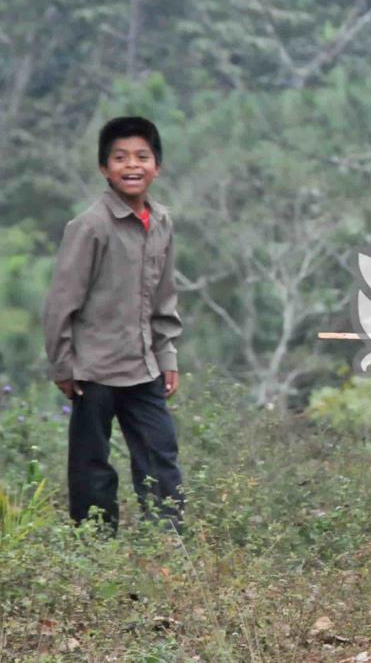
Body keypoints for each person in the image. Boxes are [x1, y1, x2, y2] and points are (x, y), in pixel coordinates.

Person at [44, 116, 184, 533]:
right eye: (120, 158)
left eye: (142, 156)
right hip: (95, 371)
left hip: (144, 367)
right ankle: (95, 552)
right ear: (105, 168)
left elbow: (164, 297)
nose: (132, 165)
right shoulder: (90, 226)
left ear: (157, 165)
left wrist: (167, 354)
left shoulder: (161, 222)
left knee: (162, 458)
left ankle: (167, 548)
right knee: (91, 468)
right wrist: (64, 367)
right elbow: (60, 304)